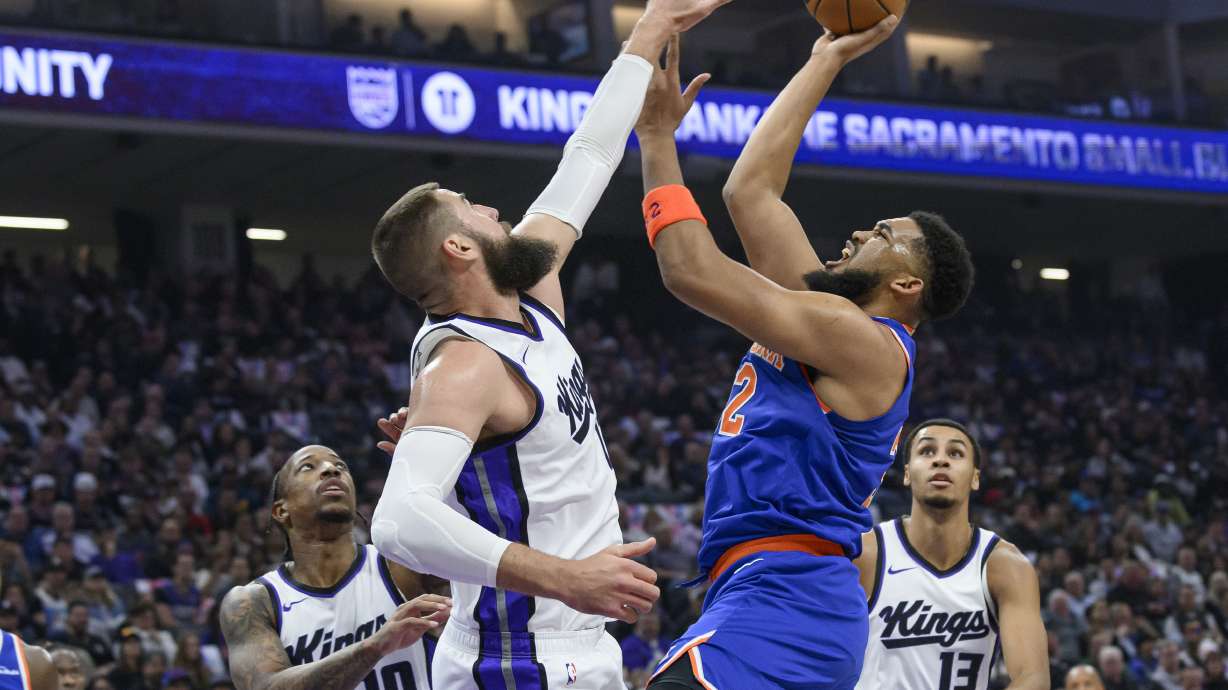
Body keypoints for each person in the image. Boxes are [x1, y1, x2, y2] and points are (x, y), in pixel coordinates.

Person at [365, 0, 730, 687]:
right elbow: (397, 521)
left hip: (575, 642)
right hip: (516, 658)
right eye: (475, 207)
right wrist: (563, 577)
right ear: (459, 246)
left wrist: (651, 30)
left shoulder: (529, 291)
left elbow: (587, 156)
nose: (496, 209)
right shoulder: (464, 364)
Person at [632, 19, 974, 688]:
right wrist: (827, 56)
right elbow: (750, 193)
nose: (857, 233)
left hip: (792, 598)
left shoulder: (866, 344)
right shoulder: (831, 317)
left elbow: (689, 269)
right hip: (758, 588)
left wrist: (654, 139)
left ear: (906, 284)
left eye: (881, 235)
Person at [220, 445, 451, 690]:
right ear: (281, 510)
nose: (331, 470)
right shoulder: (255, 601)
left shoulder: (403, 562)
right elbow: (263, 686)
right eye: (308, 466)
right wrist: (375, 646)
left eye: (340, 466)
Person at [853, 420, 1049, 690]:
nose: (941, 460)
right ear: (907, 473)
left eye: (955, 453)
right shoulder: (866, 554)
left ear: (975, 477)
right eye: (927, 451)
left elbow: (1033, 678)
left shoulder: (1004, 566)